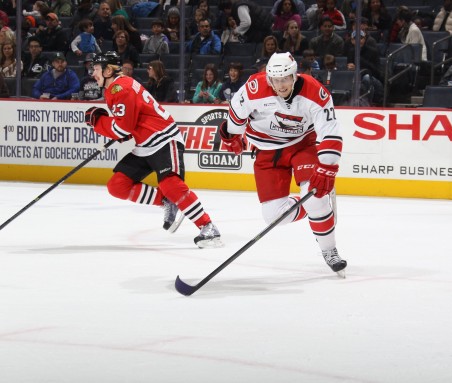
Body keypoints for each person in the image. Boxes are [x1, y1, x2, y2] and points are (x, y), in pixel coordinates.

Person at [219, 52, 347, 276]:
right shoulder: (253, 89)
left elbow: (330, 131)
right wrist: (232, 135)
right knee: (273, 216)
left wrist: (328, 165)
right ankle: (310, 204)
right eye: (275, 80)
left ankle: (329, 250)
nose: (281, 85)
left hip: (302, 145)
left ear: (294, 75)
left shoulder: (315, 92)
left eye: (285, 78)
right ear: (268, 78)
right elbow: (236, 115)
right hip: (267, 152)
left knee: (315, 198)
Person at [84, 51, 222, 247]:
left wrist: (99, 123)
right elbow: (128, 127)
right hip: (145, 143)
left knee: (170, 184)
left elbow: (124, 127)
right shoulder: (114, 88)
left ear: (108, 70)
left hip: (164, 138)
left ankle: (208, 227)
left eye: (96, 69)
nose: (93, 73)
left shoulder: (120, 89)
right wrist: (117, 128)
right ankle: (167, 201)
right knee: (117, 185)